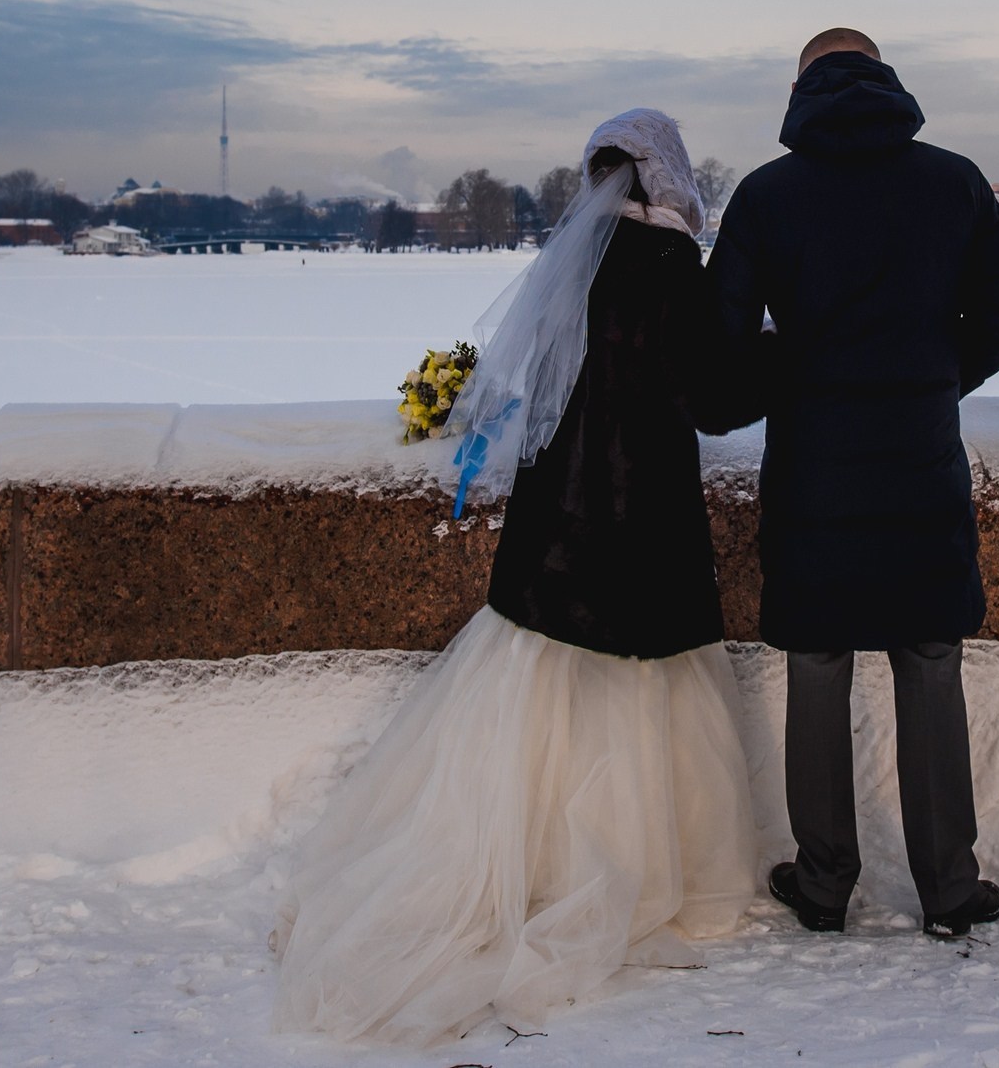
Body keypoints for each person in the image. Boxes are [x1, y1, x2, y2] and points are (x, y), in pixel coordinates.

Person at [273, 110, 762, 1046]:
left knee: (541, 698)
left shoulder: (570, 267)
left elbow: (532, 390)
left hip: (562, 518)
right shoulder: (671, 270)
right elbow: (707, 400)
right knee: (645, 693)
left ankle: (532, 862)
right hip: (645, 515)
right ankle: (634, 868)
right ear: (669, 180)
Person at [709, 30, 999, 938]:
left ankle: (823, 884)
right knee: (929, 657)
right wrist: (937, 374)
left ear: (800, 86)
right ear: (885, 77)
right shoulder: (953, 180)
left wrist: (785, 381)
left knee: (817, 661)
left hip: (815, 470)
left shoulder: (768, 195)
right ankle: (947, 889)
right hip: (921, 460)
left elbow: (720, 347)